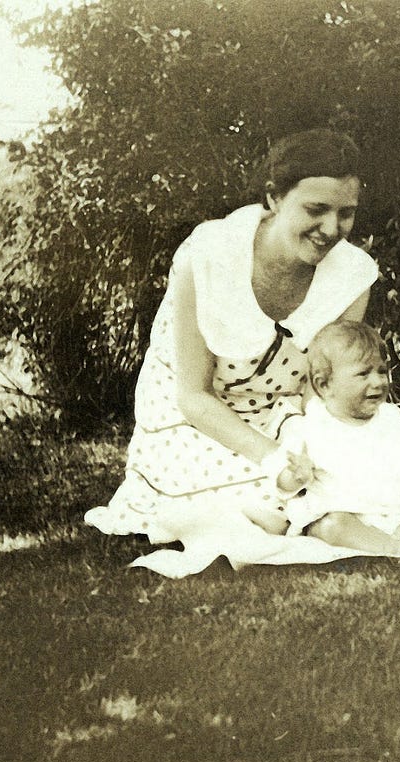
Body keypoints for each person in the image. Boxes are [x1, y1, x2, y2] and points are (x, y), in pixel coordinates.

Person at [85, 129, 376, 540]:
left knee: (364, 480)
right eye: (316, 209)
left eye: (346, 212)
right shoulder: (207, 256)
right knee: (259, 502)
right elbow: (192, 396)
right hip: (193, 421)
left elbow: (321, 389)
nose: (330, 228)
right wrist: (274, 460)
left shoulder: (351, 275)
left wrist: (304, 443)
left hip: (286, 419)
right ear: (274, 197)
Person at [256, 320, 400, 562]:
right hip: (345, 514)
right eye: (363, 374)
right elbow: (280, 471)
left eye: (382, 371)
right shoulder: (309, 427)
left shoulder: (391, 418)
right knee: (331, 526)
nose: (378, 382)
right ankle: (394, 549)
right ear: (324, 384)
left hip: (397, 512)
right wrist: (295, 476)